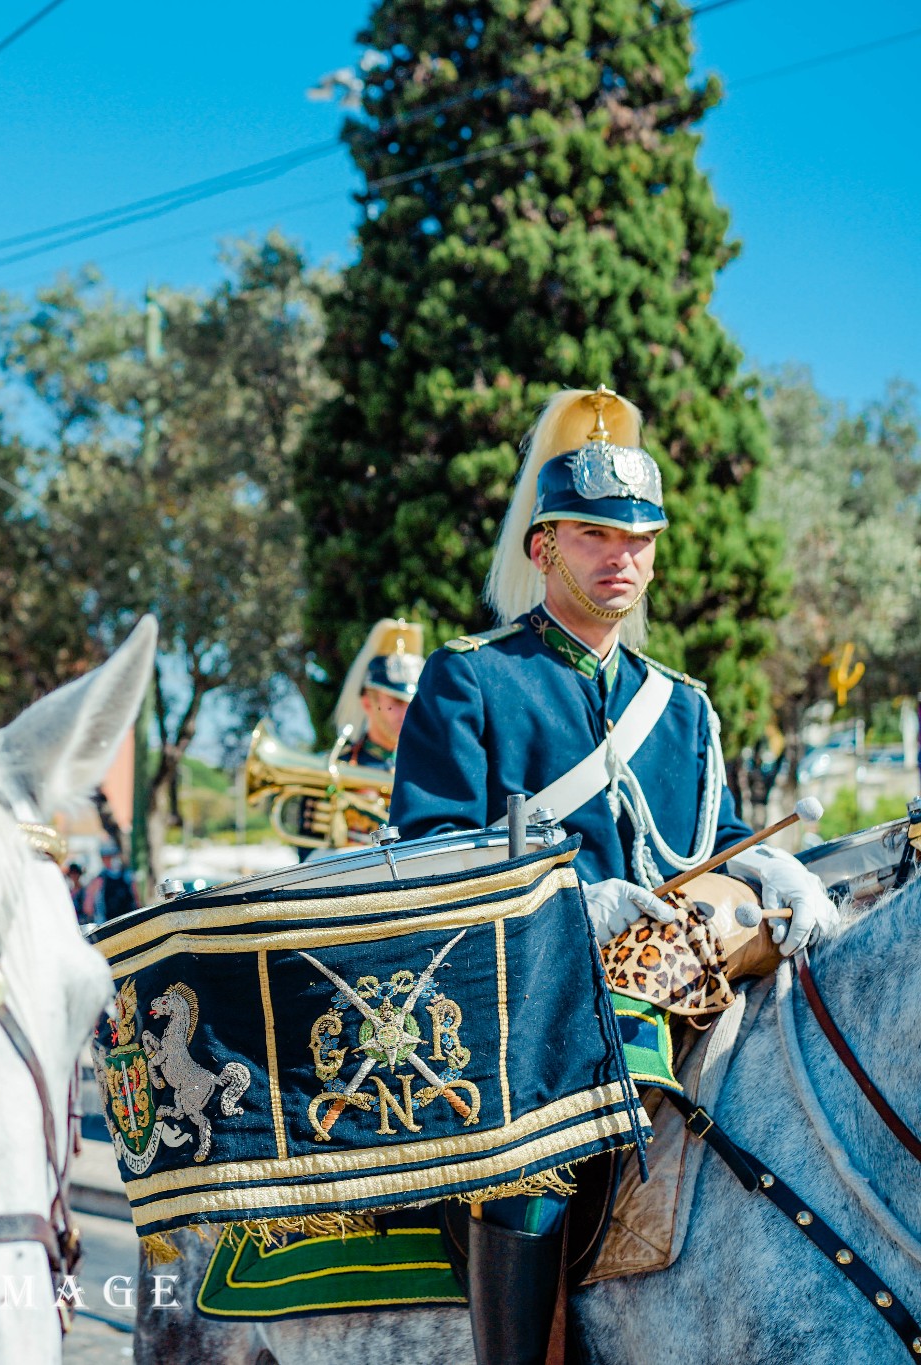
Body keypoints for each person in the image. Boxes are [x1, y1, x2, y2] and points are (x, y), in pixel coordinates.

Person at [389, 385, 838, 1365]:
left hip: (679, 986)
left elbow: (707, 837)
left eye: (637, 539)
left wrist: (779, 868)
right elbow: (427, 851)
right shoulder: (469, 679)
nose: (619, 557)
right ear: (541, 546)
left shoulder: (680, 706)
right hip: (526, 997)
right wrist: (569, 902)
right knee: (529, 1161)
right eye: (593, 534)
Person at [329, 618, 425, 771]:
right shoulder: (338, 766)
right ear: (368, 702)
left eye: (413, 703)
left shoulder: (430, 772)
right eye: (397, 702)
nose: (408, 713)